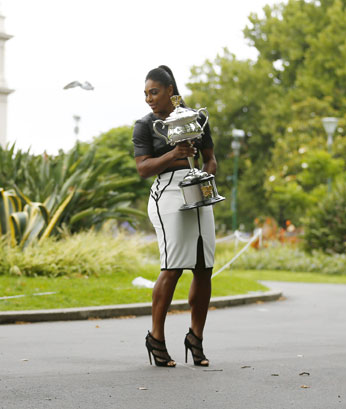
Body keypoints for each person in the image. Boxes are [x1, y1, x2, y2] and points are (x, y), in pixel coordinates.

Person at [132, 65, 218, 368]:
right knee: (173, 268)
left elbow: (210, 159)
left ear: (170, 90)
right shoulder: (144, 125)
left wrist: (203, 178)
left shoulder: (195, 118)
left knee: (203, 268)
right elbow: (143, 169)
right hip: (166, 195)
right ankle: (156, 337)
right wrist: (173, 153)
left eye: (153, 92)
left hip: (198, 193)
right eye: (145, 93)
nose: (148, 98)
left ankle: (196, 337)